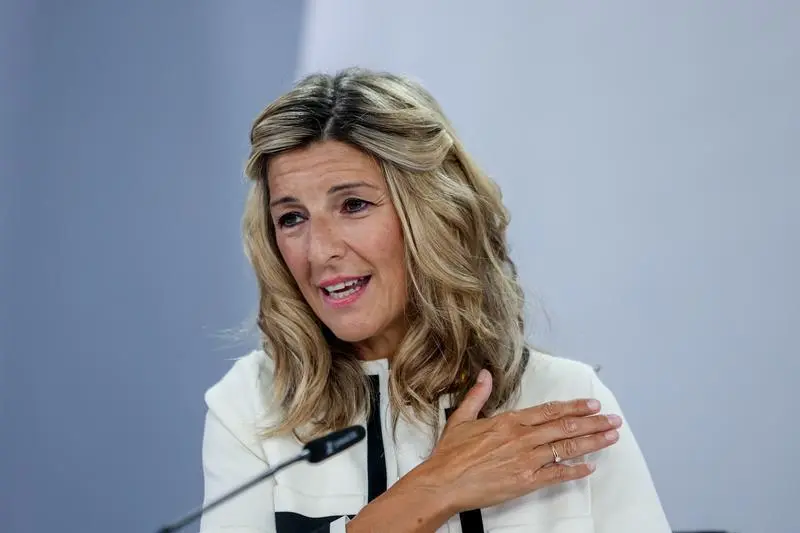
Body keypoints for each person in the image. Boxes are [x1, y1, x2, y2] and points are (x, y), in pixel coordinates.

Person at [198, 67, 671, 533]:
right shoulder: (250, 406)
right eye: (292, 218)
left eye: (354, 205)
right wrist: (435, 489)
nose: (319, 252)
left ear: (431, 213)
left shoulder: (563, 400)